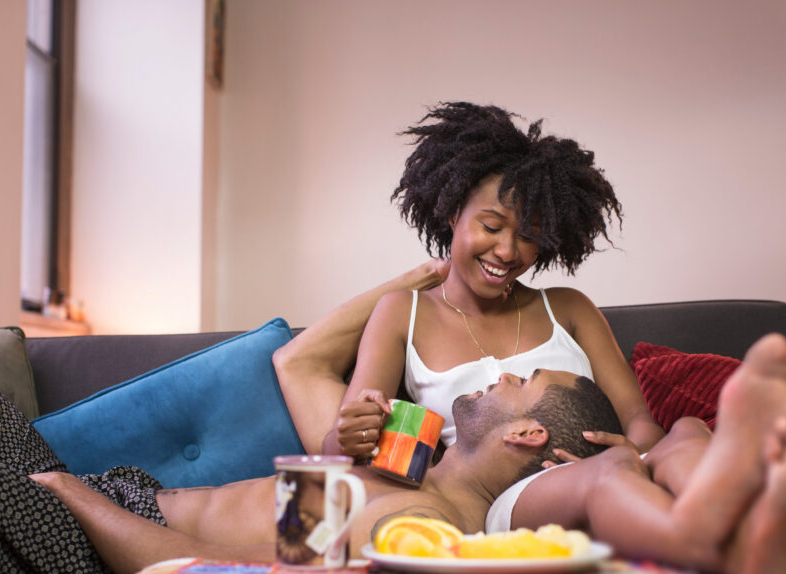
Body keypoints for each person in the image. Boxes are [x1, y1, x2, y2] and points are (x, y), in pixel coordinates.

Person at [0, 317, 786, 574]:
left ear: (529, 439)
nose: (496, 372)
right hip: (109, 496)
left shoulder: (401, 523)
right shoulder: (415, 462)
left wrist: (73, 500)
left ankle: (723, 523)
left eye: (518, 379)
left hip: (96, 532)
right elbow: (310, 377)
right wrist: (412, 294)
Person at [274, 101, 665, 463]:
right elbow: (345, 446)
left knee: (690, 434)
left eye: (528, 236)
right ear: (452, 213)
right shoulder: (401, 314)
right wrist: (345, 438)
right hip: (488, 511)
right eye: (491, 226)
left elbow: (641, 422)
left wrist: (632, 456)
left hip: (601, 482)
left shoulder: (569, 308)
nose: (508, 251)